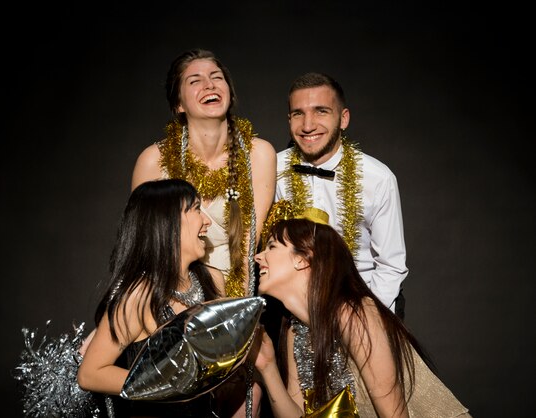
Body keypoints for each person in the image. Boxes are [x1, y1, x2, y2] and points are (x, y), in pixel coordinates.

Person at [253, 209, 472, 417]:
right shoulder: (295, 331)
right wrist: (268, 367)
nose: (258, 257)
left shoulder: (354, 313)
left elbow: (394, 415)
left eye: (271, 247)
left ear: (302, 259)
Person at [131, 48, 276, 299]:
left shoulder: (258, 153)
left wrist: (236, 314)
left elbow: (247, 247)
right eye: (195, 81)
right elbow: (146, 250)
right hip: (171, 295)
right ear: (178, 104)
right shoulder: (153, 161)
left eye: (217, 77)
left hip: (236, 292)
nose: (209, 85)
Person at [77, 178, 224, 417]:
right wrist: (168, 383)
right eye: (197, 209)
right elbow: (90, 374)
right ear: (169, 222)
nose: (207, 221)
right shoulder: (138, 295)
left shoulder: (213, 280)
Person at [266, 72, 407, 318]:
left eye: (321, 111)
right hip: (290, 308)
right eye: (298, 113)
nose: (308, 125)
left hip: (361, 303)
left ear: (343, 119)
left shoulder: (378, 178)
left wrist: (365, 321)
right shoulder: (270, 169)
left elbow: (390, 265)